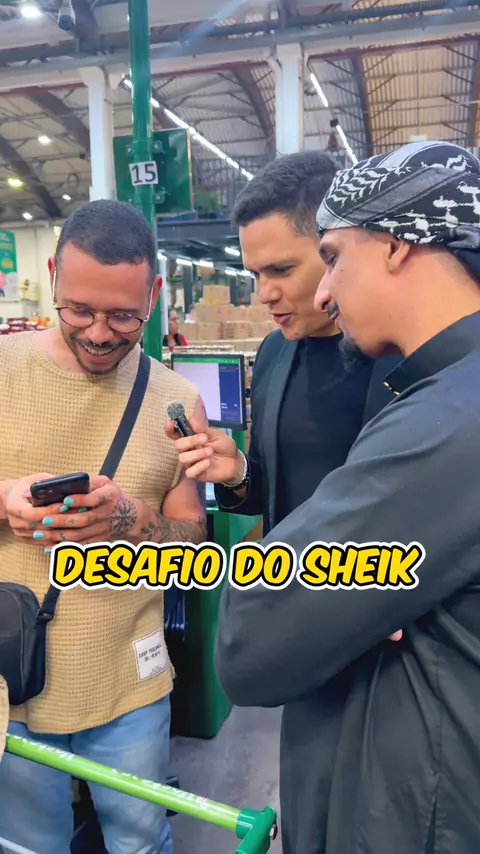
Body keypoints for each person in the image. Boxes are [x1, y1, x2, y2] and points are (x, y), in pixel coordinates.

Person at [212, 141, 480, 854]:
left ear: (395, 246)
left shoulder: (440, 413)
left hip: (406, 735)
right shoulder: (279, 356)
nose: (323, 293)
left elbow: (249, 639)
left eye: (329, 258)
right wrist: (239, 478)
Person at [0, 200, 208, 854]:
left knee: (141, 841)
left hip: (130, 680)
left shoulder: (178, 400)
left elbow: (193, 543)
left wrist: (131, 518)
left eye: (122, 316)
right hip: (13, 682)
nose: (97, 333)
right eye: (78, 310)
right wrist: (6, 501)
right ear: (53, 277)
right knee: (29, 846)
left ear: (154, 294)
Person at [166, 150, 398, 536]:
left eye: (281, 270)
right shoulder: (274, 353)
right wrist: (237, 472)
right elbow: (271, 496)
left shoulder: (407, 358)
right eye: (256, 274)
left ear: (334, 251)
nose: (264, 294)